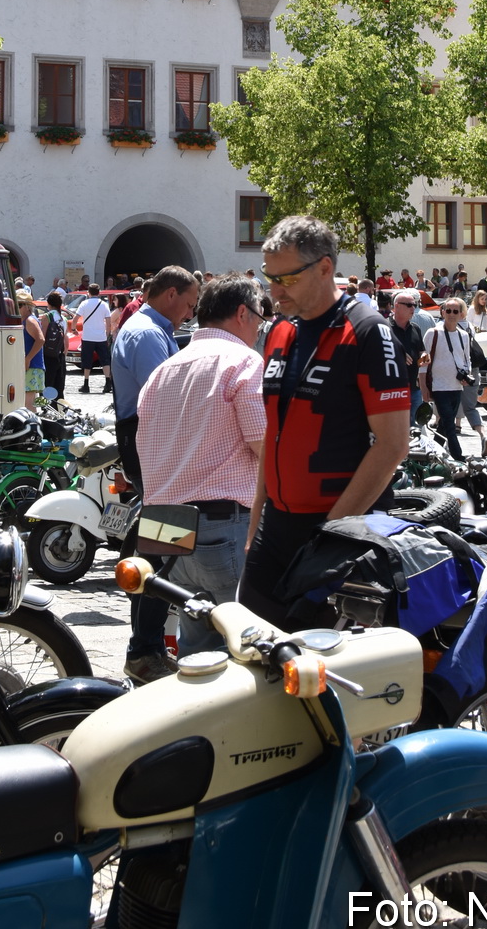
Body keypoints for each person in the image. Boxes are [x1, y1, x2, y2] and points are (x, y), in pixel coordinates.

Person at [240, 215, 408, 625]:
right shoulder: (280, 331)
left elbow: (392, 446)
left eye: (287, 280)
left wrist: (331, 534)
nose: (273, 292)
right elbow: (274, 432)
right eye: (269, 277)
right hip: (276, 527)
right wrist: (256, 521)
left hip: (338, 530)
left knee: (315, 674)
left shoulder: (367, 330)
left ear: (325, 268)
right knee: (253, 653)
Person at [137, 274, 267, 654]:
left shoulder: (166, 369)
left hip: (164, 527)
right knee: (250, 649)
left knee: (198, 651)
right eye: (260, 317)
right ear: (242, 313)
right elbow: (266, 448)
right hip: (219, 523)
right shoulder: (243, 362)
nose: (260, 328)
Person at [111, 265, 200, 681]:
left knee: (161, 547)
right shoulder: (147, 334)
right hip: (151, 440)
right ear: (170, 294)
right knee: (164, 548)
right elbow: (164, 398)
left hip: (148, 441)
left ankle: (145, 647)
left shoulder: (149, 328)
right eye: (188, 302)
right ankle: (144, 647)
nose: (190, 311)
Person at [422, 300, 474, 457]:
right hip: (439, 386)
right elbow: (423, 362)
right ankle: (458, 456)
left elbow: (466, 359)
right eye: (448, 311)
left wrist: (467, 374)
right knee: (450, 425)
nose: (451, 314)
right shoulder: (433, 333)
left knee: (444, 424)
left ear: (461, 314)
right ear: (442, 312)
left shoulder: (463, 335)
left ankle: (432, 454)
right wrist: (424, 387)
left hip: (457, 386)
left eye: (455, 311)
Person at [389, 291, 427, 419]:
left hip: (414, 388)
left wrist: (424, 356)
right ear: (397, 306)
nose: (413, 308)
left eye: (414, 305)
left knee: (414, 428)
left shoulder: (415, 328)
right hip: (392, 390)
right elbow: (374, 354)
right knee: (395, 427)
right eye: (409, 305)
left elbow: (421, 350)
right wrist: (397, 355)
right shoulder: (384, 327)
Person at [76, 285, 111, 386]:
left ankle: (86, 383)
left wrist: (74, 329)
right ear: (99, 292)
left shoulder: (84, 303)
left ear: (88, 292)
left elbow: (76, 318)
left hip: (87, 337)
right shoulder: (104, 304)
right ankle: (107, 382)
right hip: (101, 337)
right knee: (105, 360)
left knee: (87, 360)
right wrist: (107, 334)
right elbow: (108, 322)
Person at [16, 289, 45, 401]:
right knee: (27, 401)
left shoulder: (30, 320)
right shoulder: (24, 320)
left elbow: (41, 340)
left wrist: (28, 359)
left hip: (32, 366)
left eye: (19, 305)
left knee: (28, 403)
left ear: (28, 306)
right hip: (30, 366)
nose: (16, 307)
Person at [42, 291, 68, 401]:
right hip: (60, 355)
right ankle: (59, 409)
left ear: (48, 303)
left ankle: (47, 409)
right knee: (59, 385)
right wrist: (63, 354)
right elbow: (66, 340)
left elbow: (42, 337)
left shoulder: (47, 317)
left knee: (48, 384)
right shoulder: (64, 319)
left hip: (48, 355)